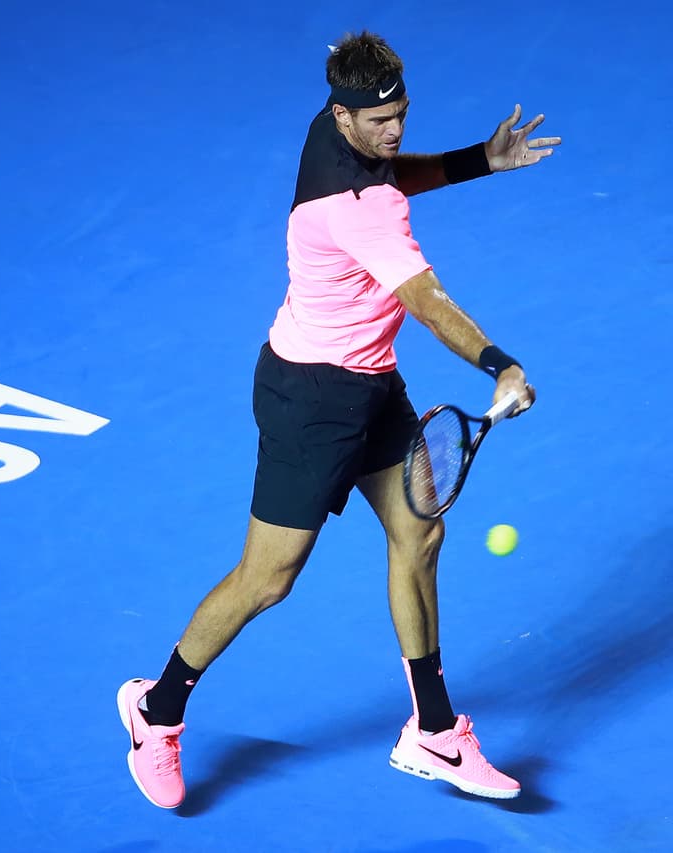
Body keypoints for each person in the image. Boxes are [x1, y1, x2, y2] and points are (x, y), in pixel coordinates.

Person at [117, 31, 559, 809]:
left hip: (369, 385)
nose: (395, 133)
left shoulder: (335, 131)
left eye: (403, 114)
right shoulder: (364, 210)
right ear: (345, 113)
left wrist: (477, 160)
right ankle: (156, 709)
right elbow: (424, 298)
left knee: (420, 533)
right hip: (307, 401)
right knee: (268, 579)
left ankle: (433, 728)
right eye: (381, 121)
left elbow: (395, 171)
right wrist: (500, 364)